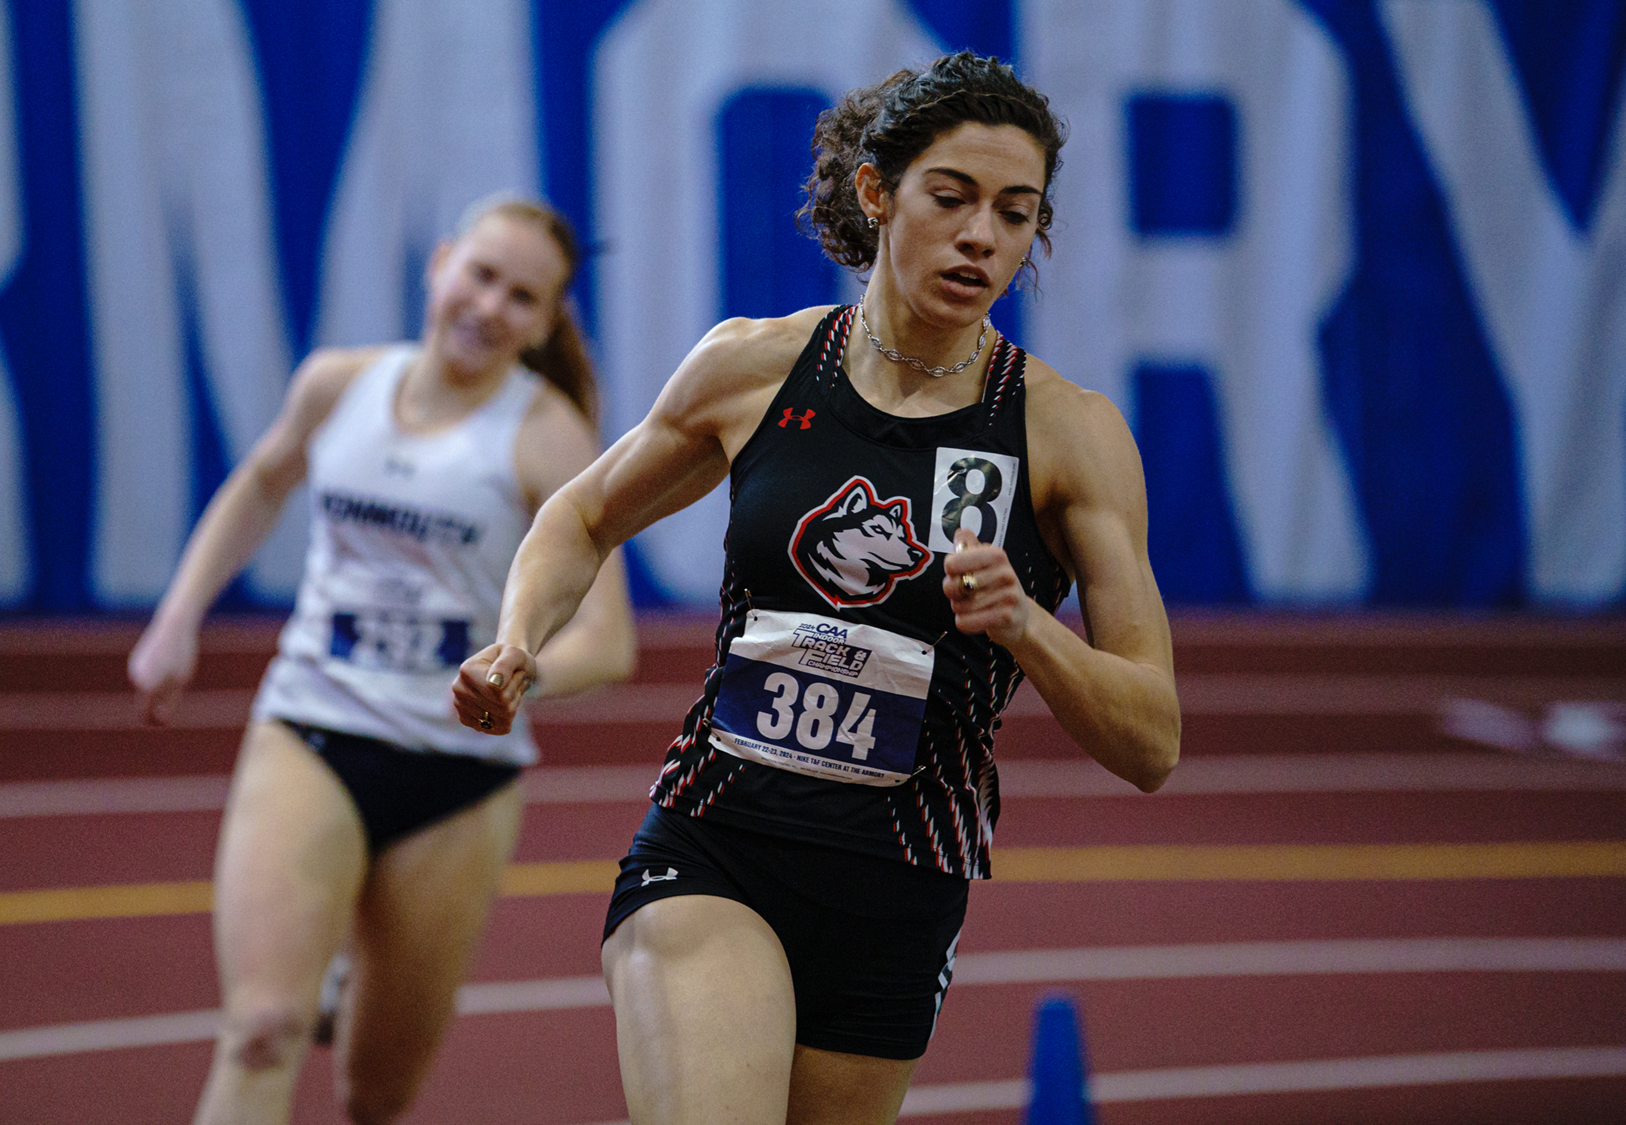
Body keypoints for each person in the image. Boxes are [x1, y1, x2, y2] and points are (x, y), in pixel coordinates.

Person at [453, 52, 1180, 1125]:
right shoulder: (753, 368)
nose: (982, 235)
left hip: (900, 885)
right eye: (952, 198)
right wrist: (517, 636)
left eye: (1015, 214)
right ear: (877, 193)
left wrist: (1029, 627)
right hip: (715, 841)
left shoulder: (1067, 438)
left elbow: (1150, 739)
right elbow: (582, 514)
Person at [127, 196, 635, 1125]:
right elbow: (261, 479)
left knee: (375, 1093)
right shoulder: (339, 384)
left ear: (545, 321)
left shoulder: (549, 434)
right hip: (312, 727)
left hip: (456, 777)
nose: (488, 306)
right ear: (440, 263)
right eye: (479, 275)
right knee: (263, 1026)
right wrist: (178, 617)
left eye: (522, 297)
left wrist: (519, 670)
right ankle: (303, 982)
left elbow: (610, 638)